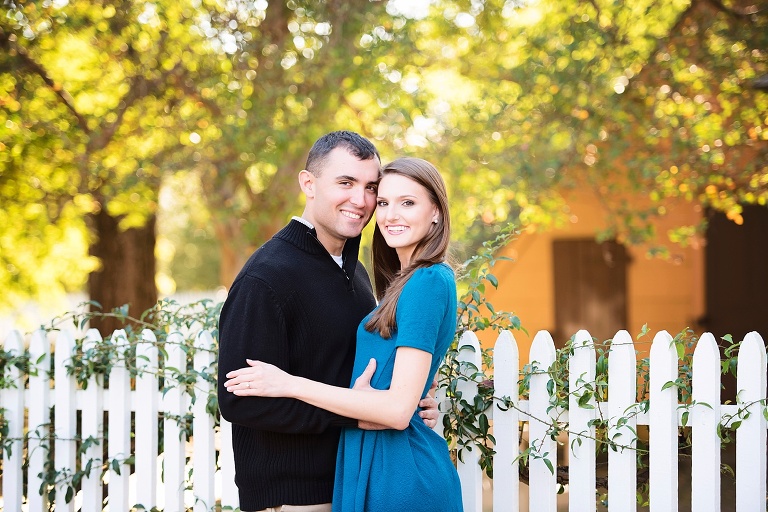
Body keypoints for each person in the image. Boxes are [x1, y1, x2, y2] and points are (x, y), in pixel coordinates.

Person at [224, 157, 463, 512]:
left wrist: (290, 383)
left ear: (436, 212)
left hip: (396, 473)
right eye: (384, 201)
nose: (385, 212)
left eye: (407, 202)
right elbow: (237, 397)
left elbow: (395, 409)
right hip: (331, 478)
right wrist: (399, 400)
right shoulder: (269, 275)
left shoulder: (423, 281)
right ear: (308, 184)